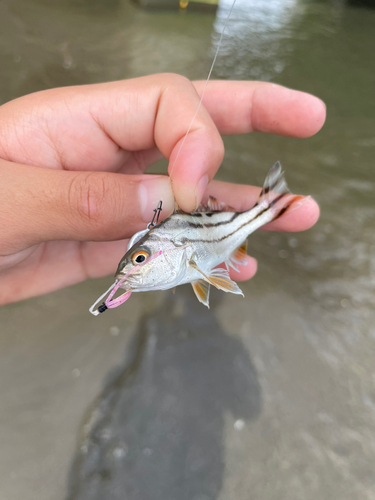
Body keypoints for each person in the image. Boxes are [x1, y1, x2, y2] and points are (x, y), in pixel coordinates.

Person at [0, 74, 325, 306]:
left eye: (140, 258)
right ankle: (269, 203)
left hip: (215, 241)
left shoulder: (184, 255)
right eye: (138, 259)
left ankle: (267, 205)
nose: (135, 266)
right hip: (214, 241)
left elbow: (205, 271)